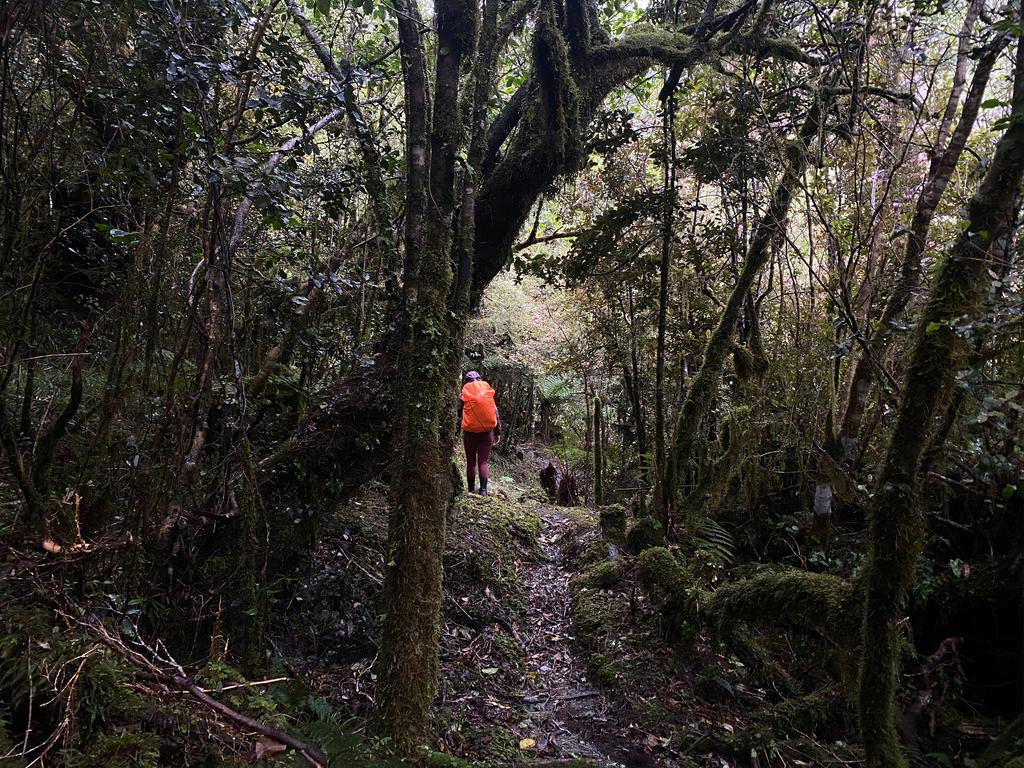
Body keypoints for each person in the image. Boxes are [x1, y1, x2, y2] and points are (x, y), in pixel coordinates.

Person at [457, 371, 501, 495]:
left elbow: (459, 413)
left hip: (470, 433)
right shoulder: (486, 391)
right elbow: (495, 412)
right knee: (483, 462)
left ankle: (471, 491)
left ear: (466, 381)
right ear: (479, 379)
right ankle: (483, 491)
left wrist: (456, 431)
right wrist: (497, 432)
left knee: (471, 463)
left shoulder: (464, 393)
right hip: (487, 433)